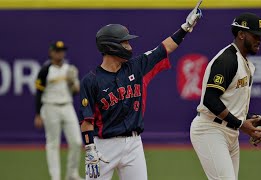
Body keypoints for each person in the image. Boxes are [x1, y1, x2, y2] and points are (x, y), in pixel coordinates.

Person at [79, 2, 202, 180]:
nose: (129, 46)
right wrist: (90, 149)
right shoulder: (91, 81)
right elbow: (87, 120)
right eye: (125, 42)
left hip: (133, 144)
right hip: (104, 147)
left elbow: (163, 49)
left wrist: (186, 27)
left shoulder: (136, 67)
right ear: (111, 46)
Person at [190, 12, 261, 180]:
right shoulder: (227, 60)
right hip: (210, 130)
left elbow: (231, 103)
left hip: (230, 132)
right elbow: (210, 99)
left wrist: (250, 121)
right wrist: (242, 124)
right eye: (255, 35)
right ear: (241, 34)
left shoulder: (246, 63)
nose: (259, 40)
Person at [34, 41, 84, 180]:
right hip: (50, 107)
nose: (60, 53)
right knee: (53, 144)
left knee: (76, 142)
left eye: (62, 51)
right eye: (57, 51)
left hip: (67, 106)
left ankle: (71, 173)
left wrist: (72, 82)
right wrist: (38, 113)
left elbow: (76, 91)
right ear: (51, 52)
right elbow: (38, 92)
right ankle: (55, 177)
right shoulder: (45, 70)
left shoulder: (70, 69)